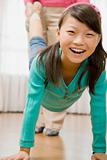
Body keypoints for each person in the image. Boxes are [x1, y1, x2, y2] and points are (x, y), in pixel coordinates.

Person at [3, 2, 107, 160]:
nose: (79, 41)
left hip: (57, 99)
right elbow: (32, 104)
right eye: (72, 32)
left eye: (89, 34)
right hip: (41, 60)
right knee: (36, 42)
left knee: (37, 43)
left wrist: (99, 150)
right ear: (58, 33)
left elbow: (98, 109)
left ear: (99, 38)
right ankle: (35, 14)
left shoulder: (97, 69)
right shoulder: (41, 63)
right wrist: (24, 149)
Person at [24, 0, 90, 136]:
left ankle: (53, 123)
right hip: (38, 7)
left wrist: (82, 11)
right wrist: (30, 5)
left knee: (59, 68)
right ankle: (38, 121)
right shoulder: (37, 64)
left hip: (66, 10)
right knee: (38, 52)